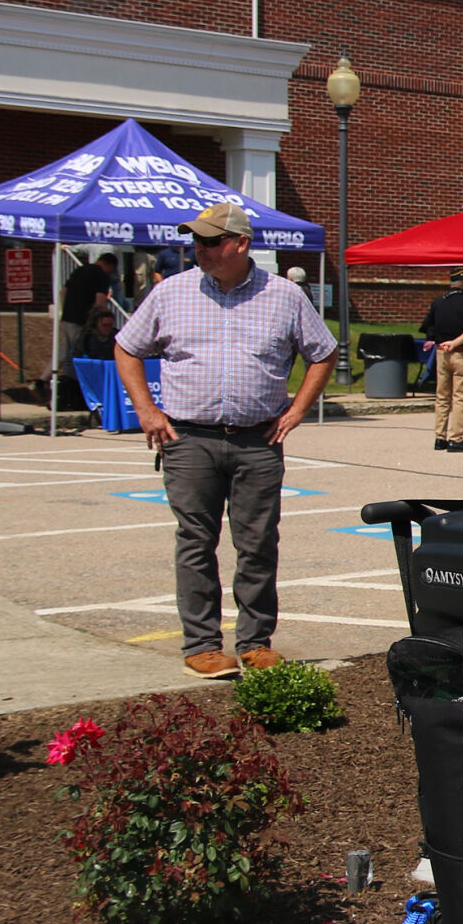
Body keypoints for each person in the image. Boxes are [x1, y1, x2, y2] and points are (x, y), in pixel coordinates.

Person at [115, 201, 337, 680]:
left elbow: (323, 352)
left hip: (257, 440)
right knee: (195, 541)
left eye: (211, 241)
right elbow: (127, 347)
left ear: (240, 243)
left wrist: (297, 409)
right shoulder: (171, 293)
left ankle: (255, 642)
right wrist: (146, 412)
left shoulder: (284, 296)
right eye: (197, 241)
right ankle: (202, 645)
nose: (201, 249)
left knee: (257, 543)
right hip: (188, 437)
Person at [420, 268, 463, 451]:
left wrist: (443, 342)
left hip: (442, 353)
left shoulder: (438, 302)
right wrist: (455, 343)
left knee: (442, 397)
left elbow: (428, 329)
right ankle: (456, 438)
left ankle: (440, 437)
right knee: (460, 396)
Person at [38, 252, 116, 391]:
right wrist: (98, 319)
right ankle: (75, 385)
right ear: (109, 266)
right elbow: (100, 300)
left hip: (66, 318)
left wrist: (63, 310)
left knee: (63, 353)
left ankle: (42, 380)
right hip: (82, 321)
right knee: (78, 353)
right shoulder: (101, 276)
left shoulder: (80, 270)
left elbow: (63, 291)